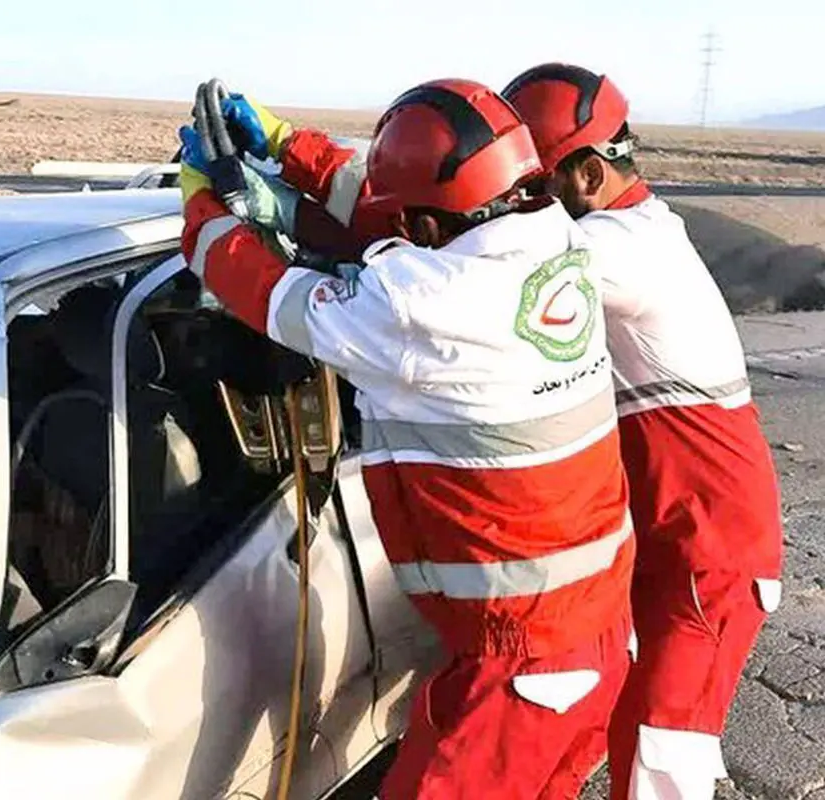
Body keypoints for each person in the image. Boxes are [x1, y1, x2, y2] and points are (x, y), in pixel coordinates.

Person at [180, 78, 636, 799]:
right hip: (594, 629)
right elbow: (390, 210)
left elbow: (266, 290)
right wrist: (282, 145)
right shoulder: (556, 239)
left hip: (519, 667)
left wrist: (201, 205)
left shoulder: (418, 305)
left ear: (423, 232)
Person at [501, 63, 784, 799]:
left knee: (661, 760)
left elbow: (481, 269)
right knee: (607, 731)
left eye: (532, 188)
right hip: (666, 544)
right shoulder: (634, 233)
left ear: (588, 174)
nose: (519, 206)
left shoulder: (618, 250)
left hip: (706, 555)